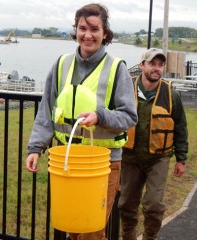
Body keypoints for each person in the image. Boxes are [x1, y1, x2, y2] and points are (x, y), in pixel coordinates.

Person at [25, 3, 138, 240]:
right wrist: (35, 147)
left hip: (104, 165)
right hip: (68, 162)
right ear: (75, 30)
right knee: (73, 227)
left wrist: (101, 115)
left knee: (91, 232)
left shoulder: (117, 69)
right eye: (82, 28)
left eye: (95, 29)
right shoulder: (61, 65)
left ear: (105, 33)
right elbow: (46, 111)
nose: (88, 35)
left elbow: (129, 117)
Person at [118, 48, 188, 240]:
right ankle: (129, 237)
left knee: (154, 204)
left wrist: (181, 159)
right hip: (129, 158)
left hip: (158, 158)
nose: (157, 68)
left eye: (160, 65)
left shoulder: (171, 94)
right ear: (142, 65)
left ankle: (150, 237)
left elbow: (180, 127)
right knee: (126, 204)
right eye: (152, 64)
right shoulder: (125, 89)